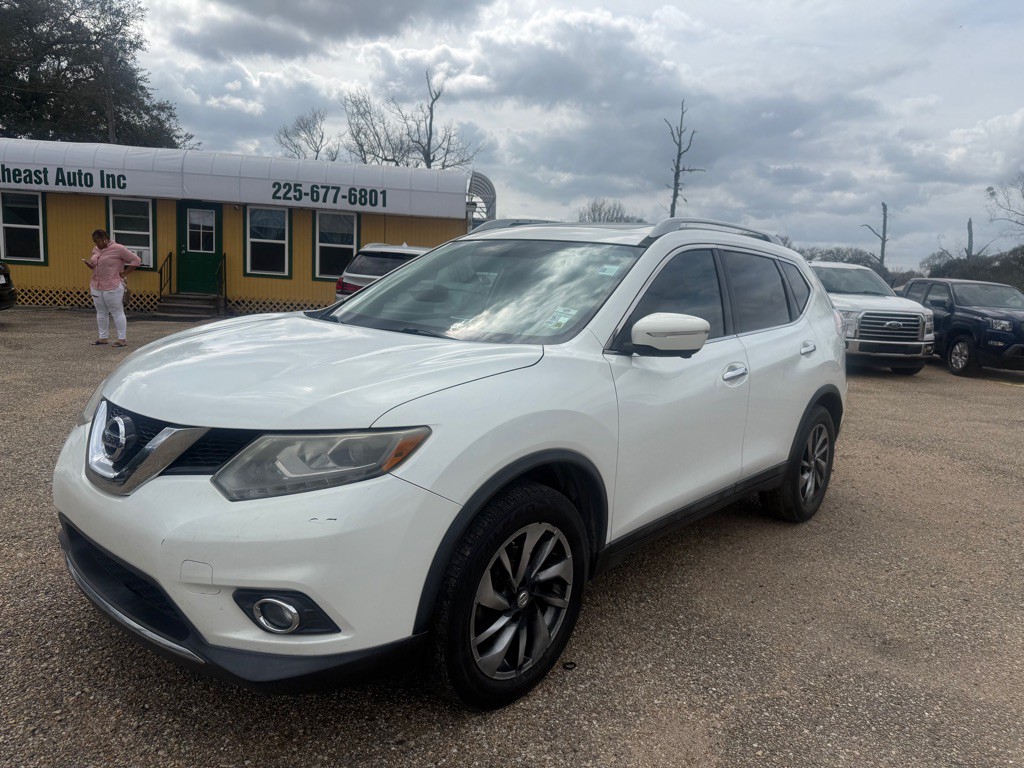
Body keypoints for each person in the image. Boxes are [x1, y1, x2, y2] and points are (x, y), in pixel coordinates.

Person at [83, 229, 141, 347]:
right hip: (96, 285)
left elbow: (136, 260)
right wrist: (91, 265)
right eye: (94, 242)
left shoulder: (118, 249)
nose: (96, 244)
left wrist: (124, 273)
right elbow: (97, 264)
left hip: (112, 285)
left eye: (98, 242)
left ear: (105, 239)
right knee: (101, 312)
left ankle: (122, 339)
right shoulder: (96, 249)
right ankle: (103, 338)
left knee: (117, 312)